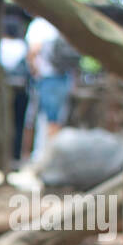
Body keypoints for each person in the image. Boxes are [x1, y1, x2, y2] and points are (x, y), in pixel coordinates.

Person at [25, 16, 78, 158]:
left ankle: (45, 157)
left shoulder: (39, 25)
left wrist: (35, 70)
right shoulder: (63, 23)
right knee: (57, 119)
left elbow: (33, 50)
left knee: (48, 119)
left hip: (48, 78)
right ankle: (50, 156)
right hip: (64, 77)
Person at [0, 17, 30, 165]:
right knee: (18, 124)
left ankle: (0, 157)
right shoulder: (22, 46)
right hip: (21, 90)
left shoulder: (0, 45)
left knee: (1, 124)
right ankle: (15, 156)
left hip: (2, 91)